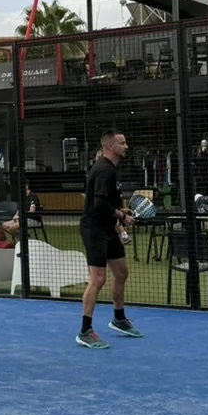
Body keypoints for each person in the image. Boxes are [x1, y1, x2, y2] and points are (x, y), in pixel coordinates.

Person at [77, 132, 143, 349]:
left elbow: (106, 202)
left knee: (121, 272)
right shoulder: (104, 170)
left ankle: (119, 319)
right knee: (97, 279)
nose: (126, 146)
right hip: (94, 229)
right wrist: (122, 216)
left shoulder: (110, 169)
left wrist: (120, 212)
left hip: (107, 227)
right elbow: (98, 204)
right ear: (110, 146)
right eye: (122, 143)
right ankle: (85, 331)